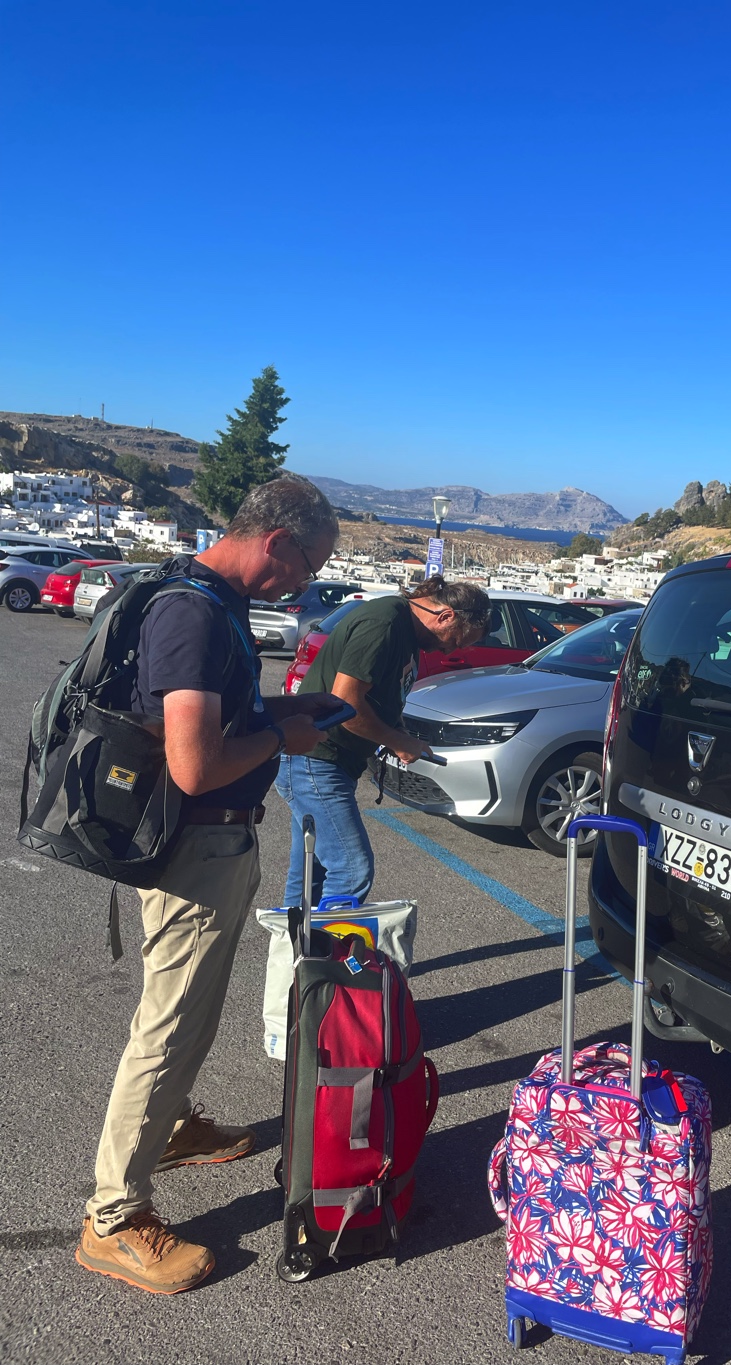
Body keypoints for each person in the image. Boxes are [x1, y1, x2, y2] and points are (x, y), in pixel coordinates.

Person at [76, 474, 343, 1295]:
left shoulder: (203, 600)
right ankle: (113, 1216)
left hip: (207, 849)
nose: (306, 583)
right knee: (168, 1025)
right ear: (276, 541)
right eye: (308, 565)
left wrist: (278, 712)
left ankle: (175, 1127)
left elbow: (214, 717)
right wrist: (285, 735)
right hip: (193, 849)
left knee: (185, 1016)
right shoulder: (191, 613)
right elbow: (194, 765)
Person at [275, 577, 491, 908]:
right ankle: (329, 954)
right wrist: (395, 740)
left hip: (325, 761)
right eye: (457, 640)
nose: (451, 650)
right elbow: (345, 704)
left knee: (310, 871)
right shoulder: (385, 620)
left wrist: (400, 734)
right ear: (446, 615)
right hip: (316, 759)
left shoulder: (404, 633)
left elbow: (382, 698)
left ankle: (294, 954)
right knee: (351, 869)